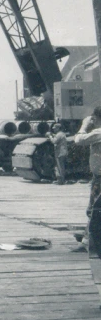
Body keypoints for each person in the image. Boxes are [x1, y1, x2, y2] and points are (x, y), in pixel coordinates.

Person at [73, 106, 101, 250]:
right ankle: (90, 236)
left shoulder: (99, 132)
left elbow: (79, 140)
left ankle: (87, 242)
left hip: (100, 179)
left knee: (94, 209)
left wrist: (84, 125)